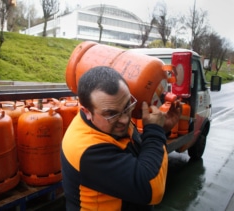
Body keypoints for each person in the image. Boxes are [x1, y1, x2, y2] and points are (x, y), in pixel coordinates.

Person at [61, 66, 180, 211]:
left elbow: (133, 150)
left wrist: (162, 130)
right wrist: (155, 131)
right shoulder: (86, 149)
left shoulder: (109, 123)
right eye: (111, 114)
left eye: (127, 106)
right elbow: (152, 187)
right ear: (87, 112)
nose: (124, 120)